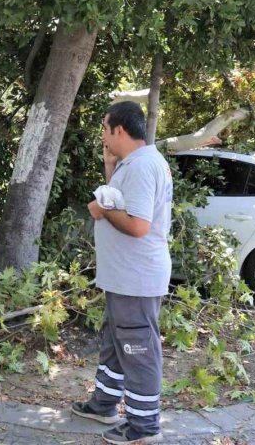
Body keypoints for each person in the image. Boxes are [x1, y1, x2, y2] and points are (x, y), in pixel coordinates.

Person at [71, 101, 173, 445]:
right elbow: (121, 198)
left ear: (119, 130)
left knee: (138, 348)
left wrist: (100, 211)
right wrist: (110, 167)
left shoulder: (144, 167)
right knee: (117, 341)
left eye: (104, 128)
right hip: (125, 277)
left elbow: (139, 225)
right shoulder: (135, 163)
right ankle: (103, 404)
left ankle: (144, 427)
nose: (101, 135)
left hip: (136, 278)